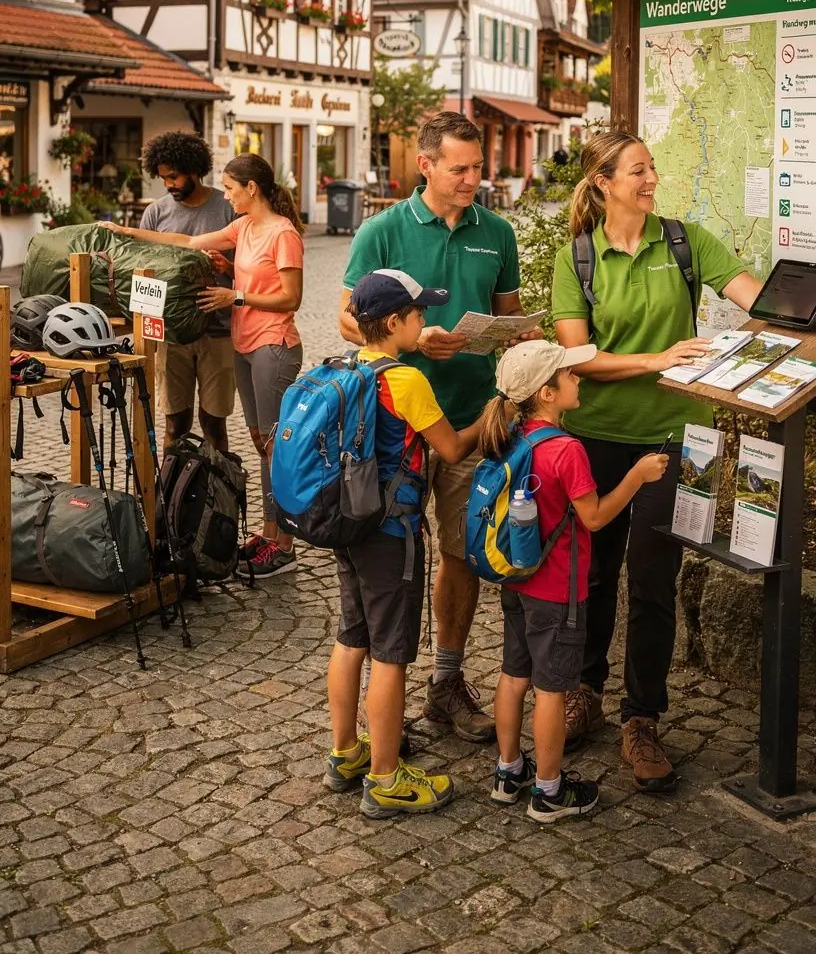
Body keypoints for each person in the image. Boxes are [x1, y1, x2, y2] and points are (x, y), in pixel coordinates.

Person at [551, 130, 763, 791]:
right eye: (638, 171)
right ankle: (584, 692)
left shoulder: (686, 242)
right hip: (594, 437)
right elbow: (577, 355)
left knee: (652, 580)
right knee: (593, 573)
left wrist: (786, 320)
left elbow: (758, 298)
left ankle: (641, 718)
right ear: (604, 183)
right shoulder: (577, 257)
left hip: (677, 438)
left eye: (652, 168)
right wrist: (659, 360)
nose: (651, 180)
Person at [340, 111, 537, 743]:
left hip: (471, 419)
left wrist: (516, 338)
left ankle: (446, 684)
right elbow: (348, 319)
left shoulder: (497, 232)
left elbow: (509, 317)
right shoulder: (383, 230)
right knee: (387, 559)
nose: (473, 179)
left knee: (461, 554)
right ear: (425, 165)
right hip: (391, 427)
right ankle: (379, 707)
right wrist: (415, 340)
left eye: (478, 167)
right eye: (460, 169)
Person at [482, 340, 669, 822]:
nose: (578, 377)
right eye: (569, 374)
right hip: (556, 590)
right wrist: (637, 476)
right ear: (546, 393)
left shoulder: (511, 435)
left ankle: (508, 772)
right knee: (551, 688)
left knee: (513, 675)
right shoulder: (566, 450)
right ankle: (549, 791)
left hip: (517, 580)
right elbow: (596, 517)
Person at [325, 269, 484, 817]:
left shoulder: (347, 367)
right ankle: (385, 778)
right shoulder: (406, 380)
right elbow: (453, 448)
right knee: (391, 654)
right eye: (419, 314)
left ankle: (345, 752)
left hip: (349, 522)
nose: (425, 321)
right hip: (391, 532)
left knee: (351, 637)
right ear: (394, 322)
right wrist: (492, 416)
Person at [105, 152, 305, 581]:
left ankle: (284, 546)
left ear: (251, 188)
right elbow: (187, 242)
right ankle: (268, 532)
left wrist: (235, 296)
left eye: (231, 188)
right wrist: (125, 231)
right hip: (245, 343)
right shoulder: (245, 226)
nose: (226, 196)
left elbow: (291, 297)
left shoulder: (283, 233)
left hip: (273, 346)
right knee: (261, 442)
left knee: (276, 445)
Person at [139, 131, 236, 453]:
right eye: (163, 178)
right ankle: (171, 483)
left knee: (214, 425)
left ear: (195, 169)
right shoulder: (156, 213)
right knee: (174, 424)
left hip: (219, 332)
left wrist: (227, 268)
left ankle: (217, 484)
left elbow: (250, 273)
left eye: (174, 176)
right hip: (171, 336)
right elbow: (141, 270)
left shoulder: (228, 209)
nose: (168, 184)